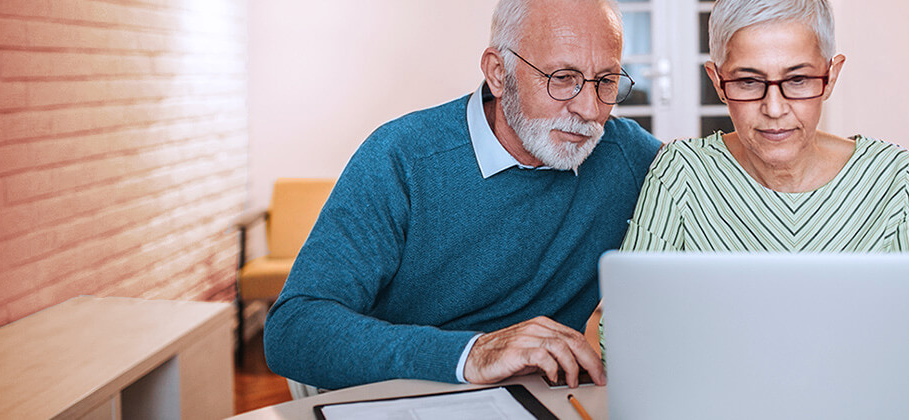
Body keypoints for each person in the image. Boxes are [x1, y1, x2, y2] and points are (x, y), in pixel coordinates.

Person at [264, 0, 660, 391]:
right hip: (400, 398)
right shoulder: (402, 157)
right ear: (498, 73)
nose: (590, 109)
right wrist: (471, 353)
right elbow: (294, 329)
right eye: (562, 77)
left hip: (538, 402)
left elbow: (712, 175)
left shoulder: (627, 156)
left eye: (606, 81)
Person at [610, 0, 909, 373]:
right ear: (718, 81)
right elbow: (625, 331)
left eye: (797, 80)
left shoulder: (895, 178)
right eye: (749, 81)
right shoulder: (680, 173)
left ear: (830, 77)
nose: (774, 108)